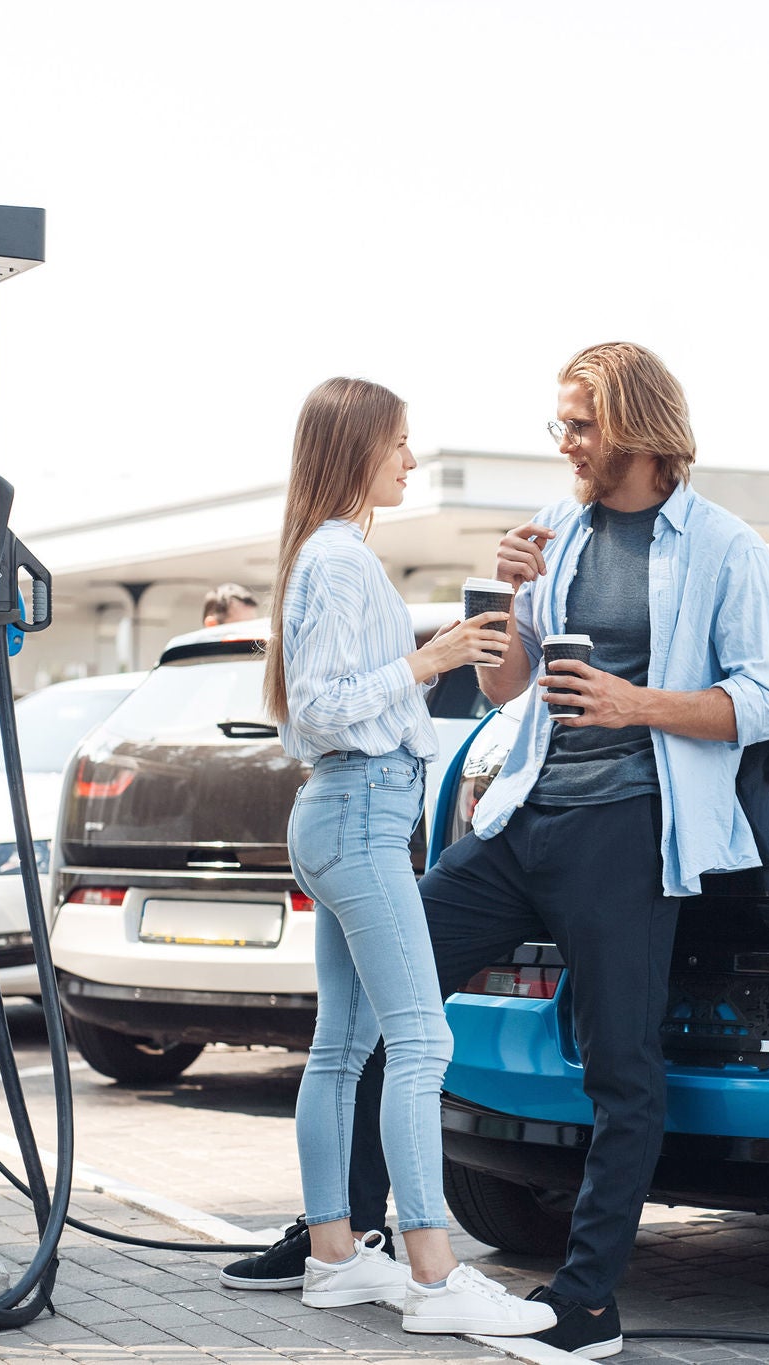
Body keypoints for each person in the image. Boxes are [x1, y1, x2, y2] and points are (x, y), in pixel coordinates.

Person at [416, 342, 769, 1357]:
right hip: (523, 815)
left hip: (629, 832)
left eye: (577, 425)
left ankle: (584, 1303)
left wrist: (637, 706)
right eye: (560, 425)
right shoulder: (554, 530)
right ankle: (355, 1231)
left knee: (622, 1070)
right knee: (391, 984)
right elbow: (508, 691)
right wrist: (505, 609)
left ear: (630, 426)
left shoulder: (722, 546)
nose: (564, 443)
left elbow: (767, 701)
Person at [259, 376, 555, 1336]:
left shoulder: (328, 555)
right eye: (399, 443)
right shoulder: (338, 560)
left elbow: (338, 693)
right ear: (357, 449)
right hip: (357, 812)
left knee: (343, 1048)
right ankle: (434, 1274)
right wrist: (428, 661)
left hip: (346, 811)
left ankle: (337, 1258)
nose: (411, 459)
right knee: (421, 1041)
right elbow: (324, 704)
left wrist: (431, 651)